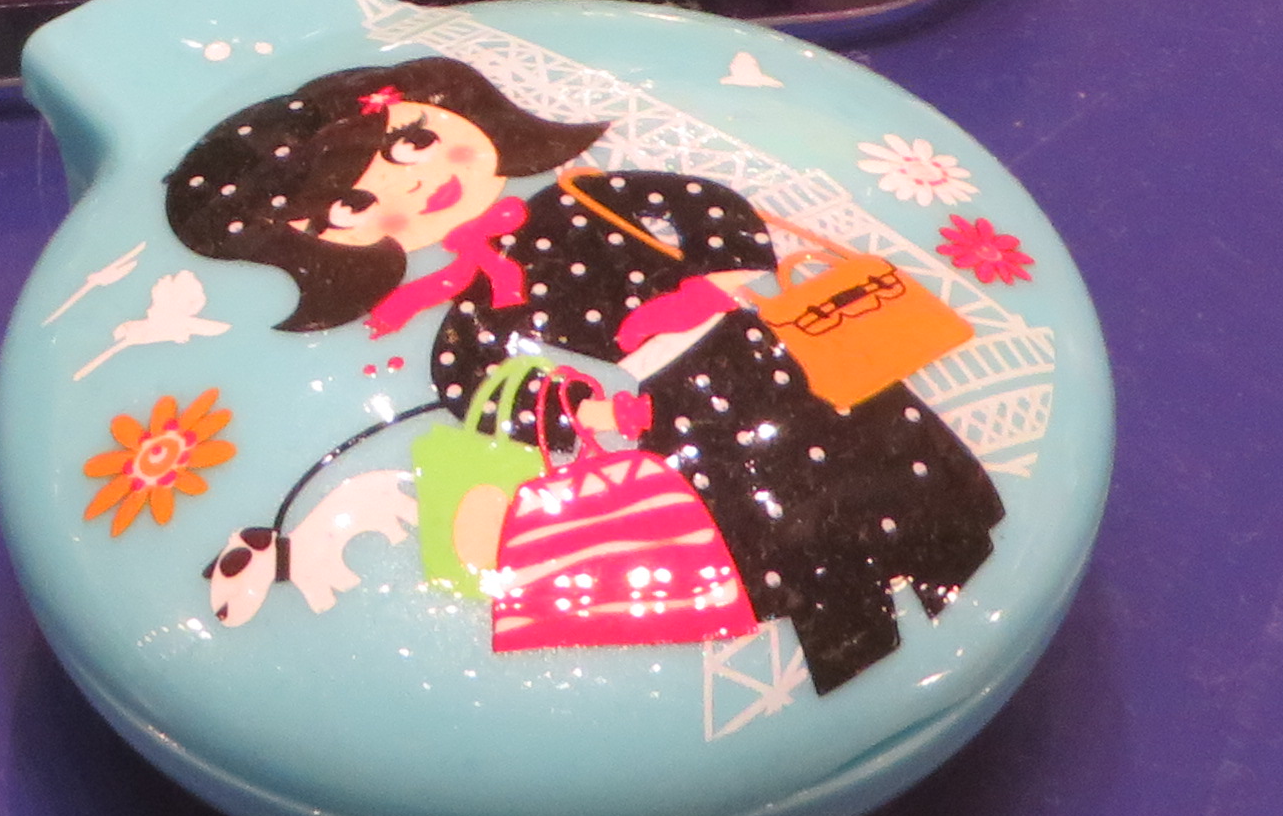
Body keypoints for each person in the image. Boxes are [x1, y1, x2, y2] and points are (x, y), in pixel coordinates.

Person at [164, 56, 1004, 698]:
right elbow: (475, 385)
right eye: (351, 204)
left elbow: (708, 208)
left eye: (408, 140)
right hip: (674, 411)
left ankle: (953, 572)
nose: (409, 183)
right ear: (327, 244)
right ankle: (854, 645)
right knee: (776, 535)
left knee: (890, 472)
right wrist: (582, 410)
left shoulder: (591, 197)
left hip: (775, 356)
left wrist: (717, 284)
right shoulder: (467, 300)